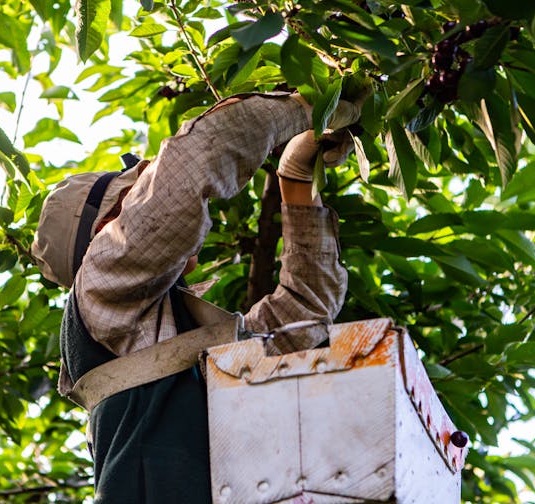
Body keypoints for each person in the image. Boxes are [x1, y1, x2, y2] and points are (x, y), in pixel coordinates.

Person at [31, 92, 361, 503]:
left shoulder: (165, 334)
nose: (148, 201)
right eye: (137, 195)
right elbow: (194, 161)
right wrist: (312, 105)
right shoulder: (99, 281)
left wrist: (296, 180)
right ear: (106, 226)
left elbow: (304, 314)